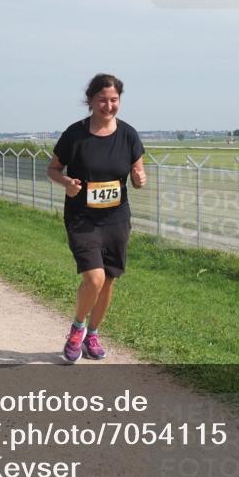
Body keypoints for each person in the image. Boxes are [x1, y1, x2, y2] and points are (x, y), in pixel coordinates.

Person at [47, 73, 146, 363]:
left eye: (114, 100)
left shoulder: (128, 134)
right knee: (94, 277)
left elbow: (139, 175)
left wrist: (140, 179)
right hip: (82, 217)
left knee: (109, 279)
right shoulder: (74, 134)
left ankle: (93, 333)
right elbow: (52, 169)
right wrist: (66, 183)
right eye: (102, 99)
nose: (108, 105)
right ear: (90, 100)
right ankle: (77, 328)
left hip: (116, 218)